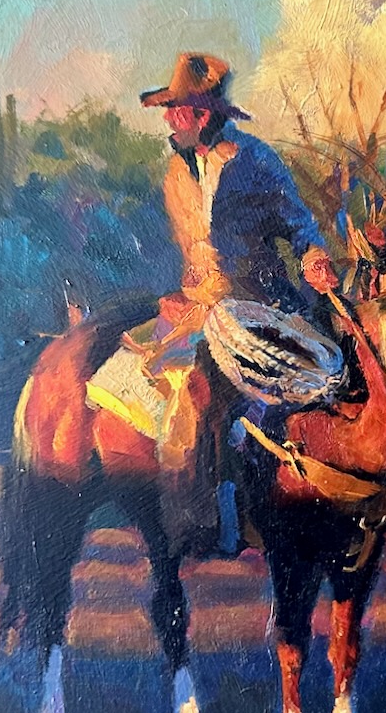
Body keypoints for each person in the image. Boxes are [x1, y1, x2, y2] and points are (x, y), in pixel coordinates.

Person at [134, 52, 340, 551]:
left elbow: (301, 226)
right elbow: (191, 246)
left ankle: (281, 506)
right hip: (199, 305)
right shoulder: (175, 171)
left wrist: (314, 259)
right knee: (166, 390)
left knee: (316, 380)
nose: (168, 120)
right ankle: (197, 512)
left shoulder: (257, 161)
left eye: (176, 110)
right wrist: (185, 286)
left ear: (203, 115)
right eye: (168, 110)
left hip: (258, 302)